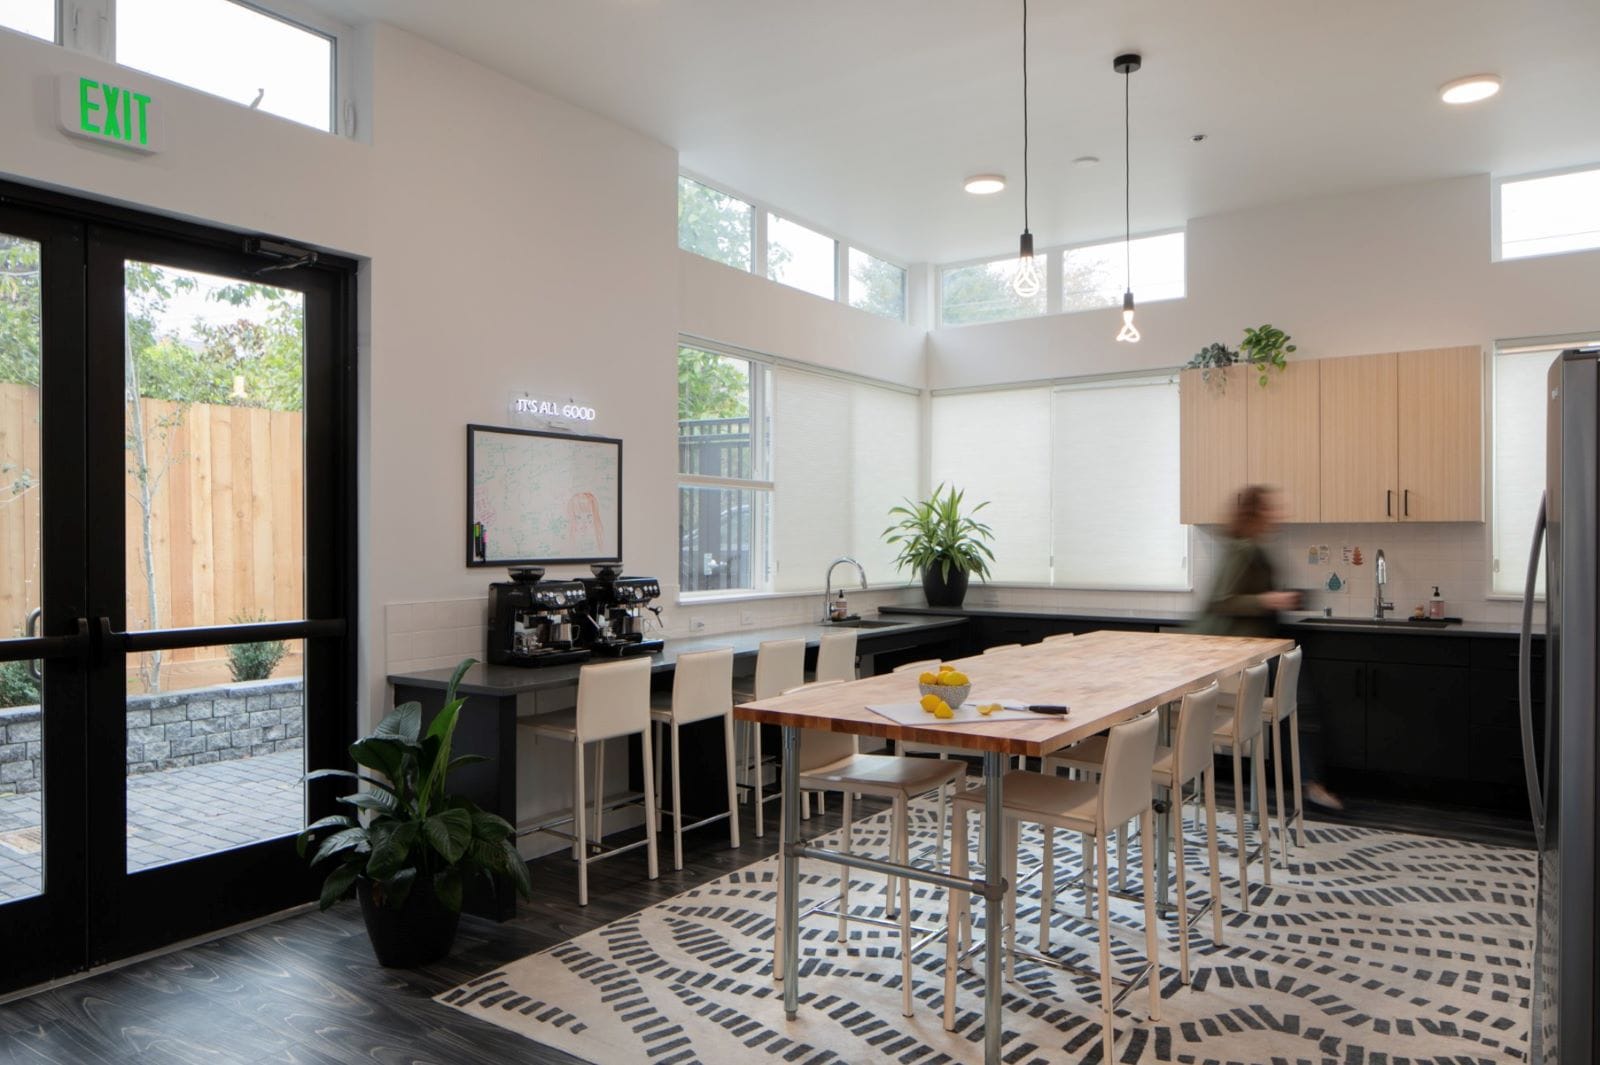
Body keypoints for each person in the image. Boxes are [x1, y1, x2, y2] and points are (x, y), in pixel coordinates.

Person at [1192, 484, 1342, 810]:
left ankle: (1309, 782)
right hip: (1242, 651)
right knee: (1299, 708)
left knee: (1299, 708)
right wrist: (1269, 599)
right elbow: (1220, 601)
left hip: (1260, 647)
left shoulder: (1255, 548)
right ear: (1256, 513)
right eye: (1272, 509)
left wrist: (1277, 599)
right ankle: (1309, 784)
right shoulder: (1243, 549)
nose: (1279, 514)